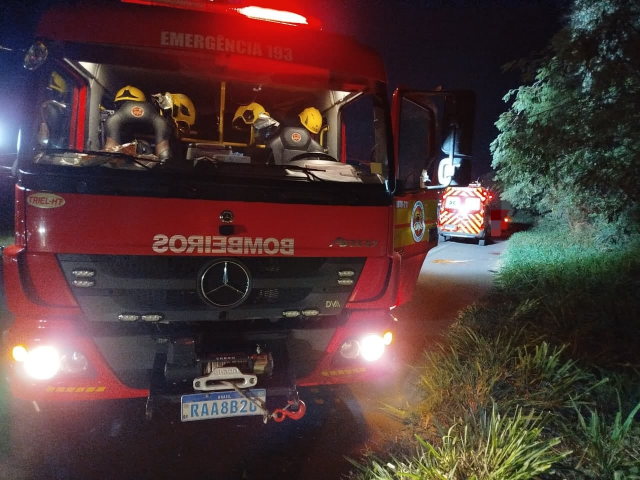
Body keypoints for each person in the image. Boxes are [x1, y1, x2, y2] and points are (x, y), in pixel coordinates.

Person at [38, 71, 70, 148]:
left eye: (54, 92)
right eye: (50, 91)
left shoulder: (53, 109)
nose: (51, 94)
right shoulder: (50, 108)